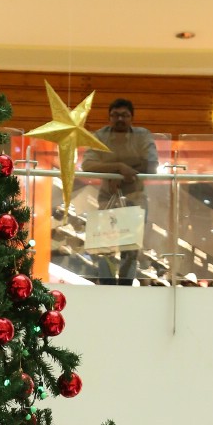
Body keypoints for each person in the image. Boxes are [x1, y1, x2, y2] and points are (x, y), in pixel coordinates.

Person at [80, 97, 159, 285]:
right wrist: (120, 167)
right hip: (108, 198)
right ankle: (107, 285)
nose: (120, 119)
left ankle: (125, 286)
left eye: (125, 115)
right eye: (115, 115)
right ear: (109, 117)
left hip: (135, 198)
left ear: (132, 117)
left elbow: (151, 165)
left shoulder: (142, 135)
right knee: (104, 245)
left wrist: (109, 169)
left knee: (130, 248)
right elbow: (88, 165)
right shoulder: (100, 136)